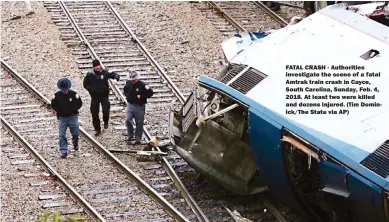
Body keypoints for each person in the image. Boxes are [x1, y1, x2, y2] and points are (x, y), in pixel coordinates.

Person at [83, 59, 120, 136]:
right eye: (95, 66)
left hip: (104, 95)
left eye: (98, 65)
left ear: (100, 65)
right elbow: (85, 84)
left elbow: (115, 75)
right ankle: (97, 129)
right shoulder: (90, 74)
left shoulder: (105, 72)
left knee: (106, 110)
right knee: (94, 113)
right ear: (93, 67)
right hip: (94, 96)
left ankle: (106, 121)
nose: (97, 67)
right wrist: (90, 89)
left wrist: (115, 80)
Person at [51, 78, 82, 158]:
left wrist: (73, 109)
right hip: (62, 118)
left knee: (75, 133)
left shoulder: (73, 94)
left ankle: (75, 143)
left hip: (73, 117)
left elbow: (79, 103)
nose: (64, 91)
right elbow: (53, 104)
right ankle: (63, 150)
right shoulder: (57, 95)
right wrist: (59, 110)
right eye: (63, 89)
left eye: (65, 89)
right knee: (62, 135)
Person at [123, 71, 153, 145]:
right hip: (130, 105)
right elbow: (125, 90)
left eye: (134, 80)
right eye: (132, 80)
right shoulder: (128, 83)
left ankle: (137, 139)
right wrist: (128, 97)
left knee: (139, 123)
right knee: (128, 120)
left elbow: (150, 93)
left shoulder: (143, 85)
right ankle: (130, 135)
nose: (133, 81)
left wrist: (142, 97)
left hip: (139, 106)